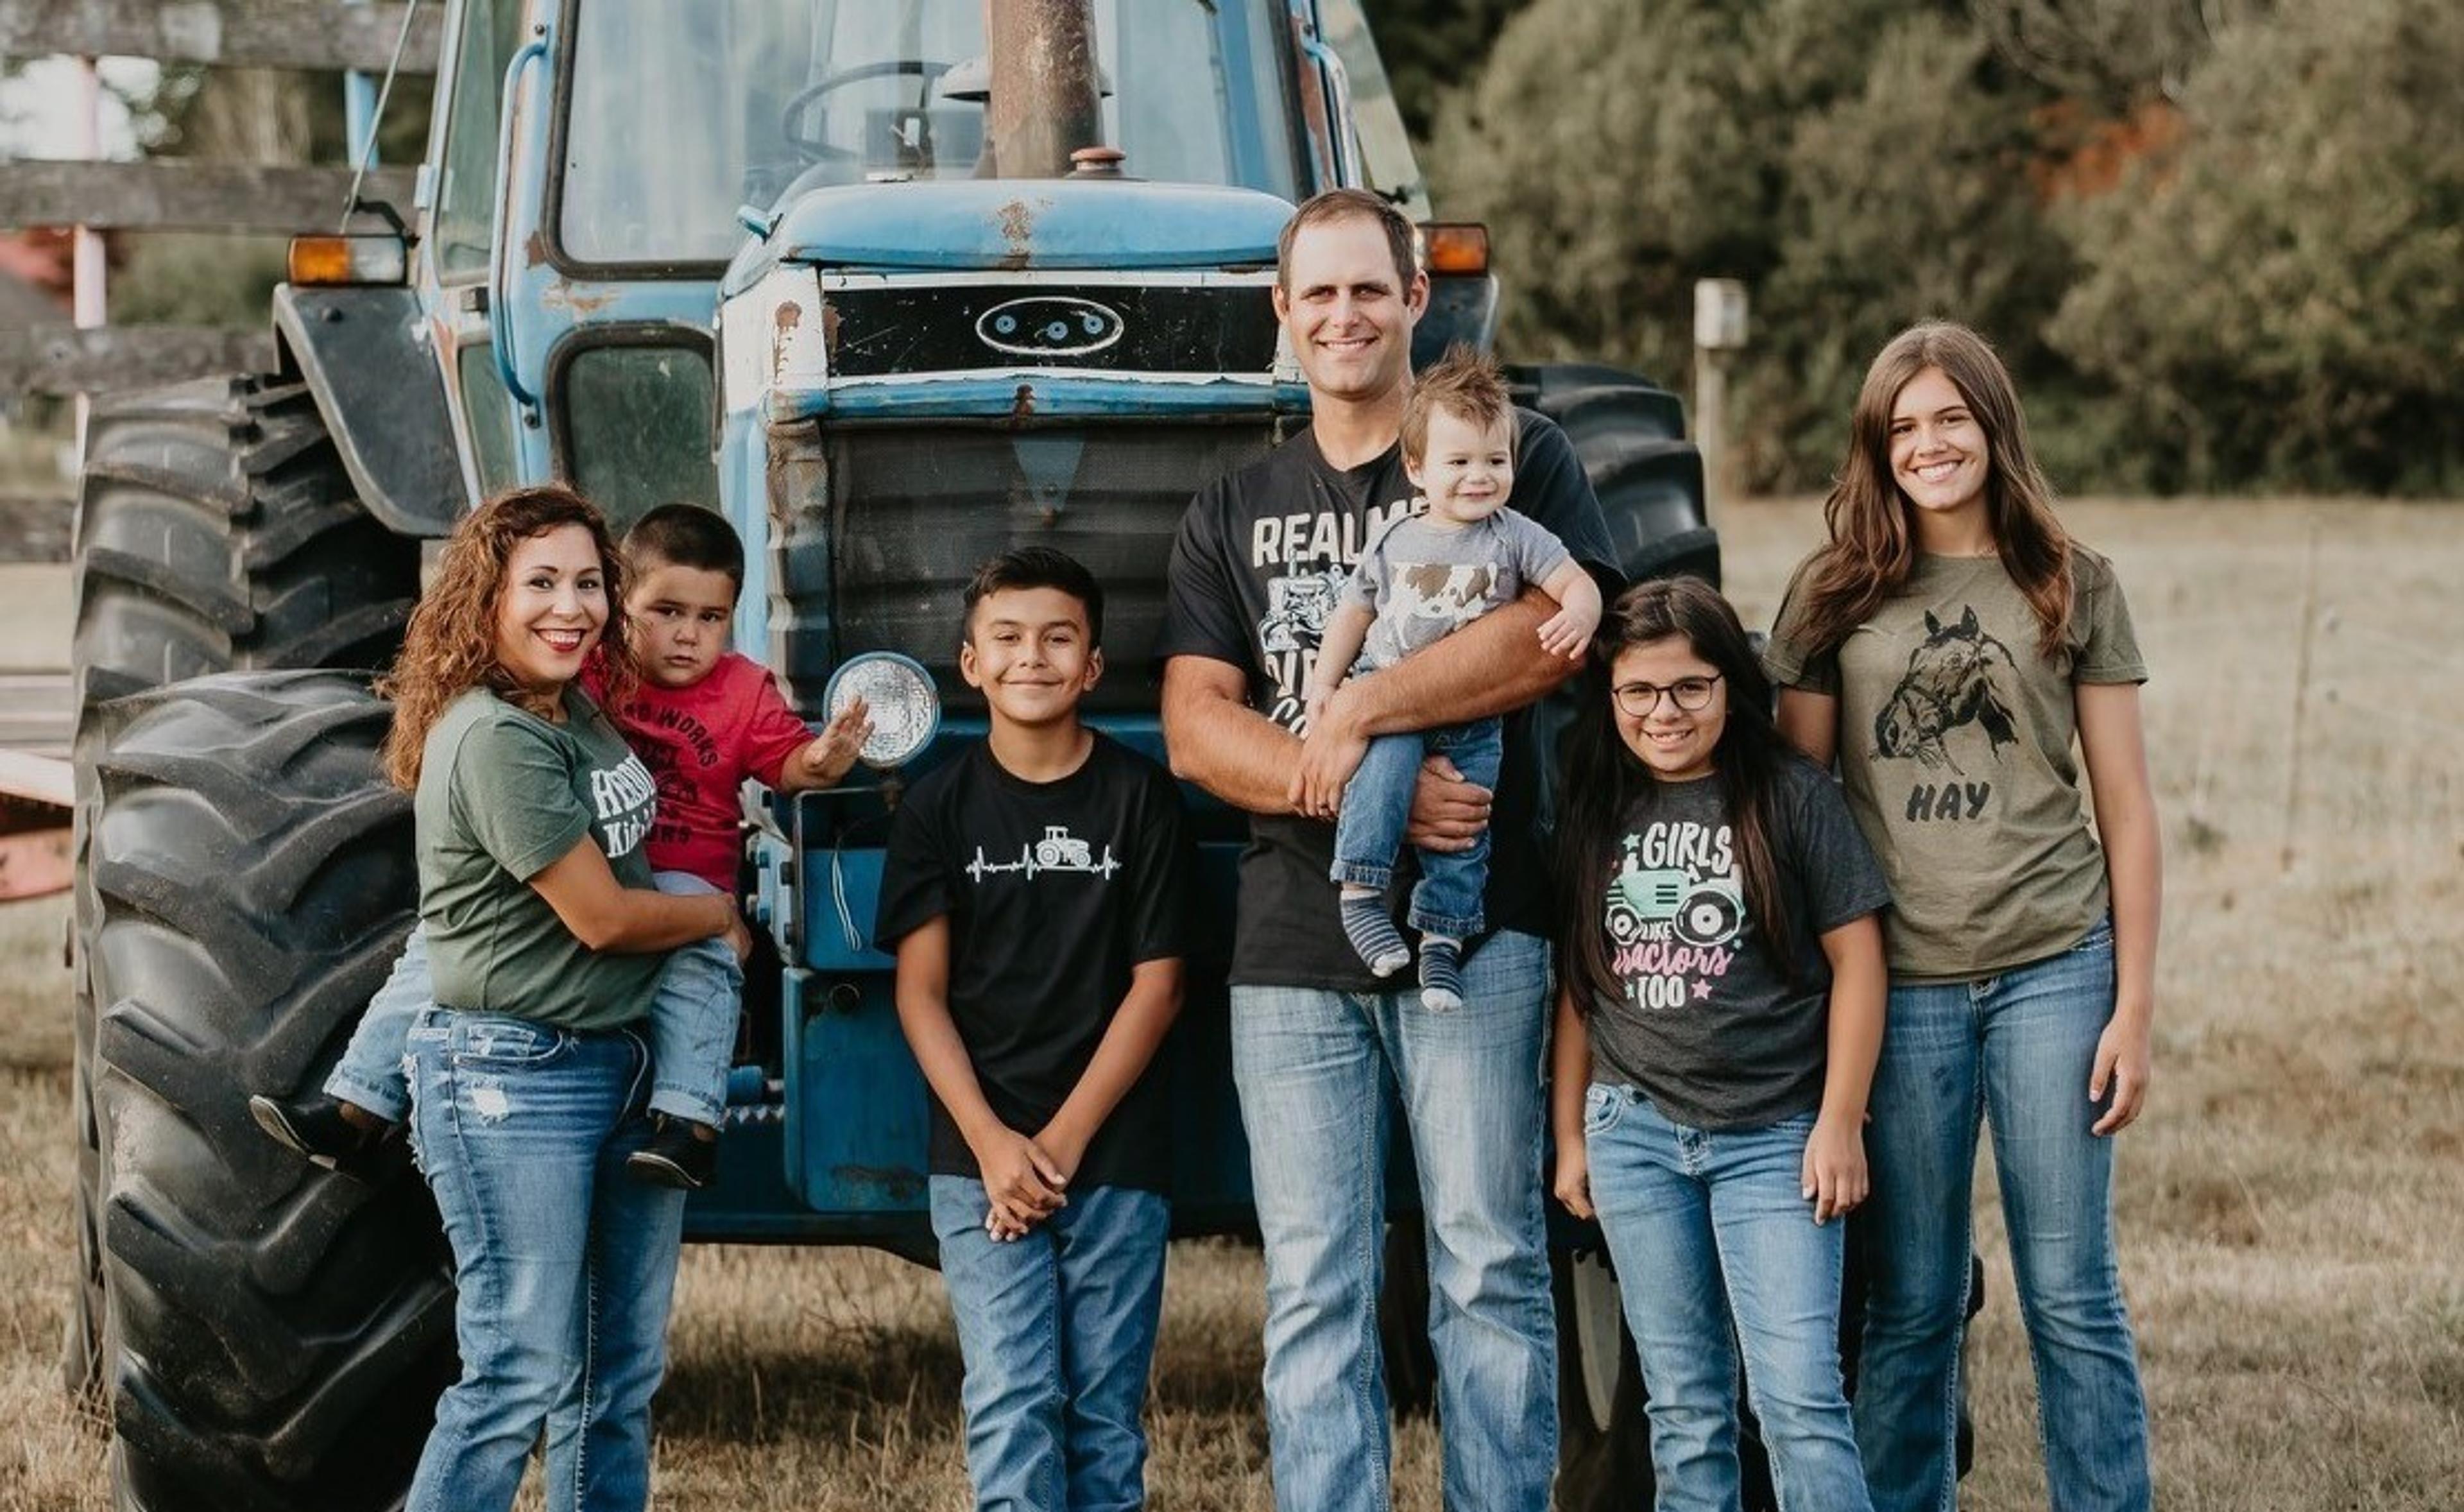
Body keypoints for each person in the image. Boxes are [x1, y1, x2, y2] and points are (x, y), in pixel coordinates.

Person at [1159, 186, 1614, 1512]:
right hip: (1297, 942)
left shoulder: (1510, 454)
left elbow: (1552, 632)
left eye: (1373, 287)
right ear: (1284, 314)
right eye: (1321, 292)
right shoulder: (1231, 505)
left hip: (1484, 925)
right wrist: (1362, 785)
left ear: (1419, 298)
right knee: (1314, 1282)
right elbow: (1196, 725)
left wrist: (1365, 705)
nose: (1346, 313)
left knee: (1486, 1260)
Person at [1763, 321, 2159, 1512]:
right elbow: (1803, 811)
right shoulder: (1834, 593)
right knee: (1915, 1301)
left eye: (1951, 418)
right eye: (1904, 426)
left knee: (2070, 1293)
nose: (1930, 444)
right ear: (1877, 447)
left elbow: (2128, 813)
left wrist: (2133, 1009)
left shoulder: (2071, 582)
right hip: (1906, 985)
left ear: (1993, 424)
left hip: (2055, 964)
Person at [252, 503, 868, 1190]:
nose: (687, 636)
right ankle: (355, 1106)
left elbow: (785, 763)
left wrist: (824, 760)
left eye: (710, 618)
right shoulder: (593, 676)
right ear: (623, 604)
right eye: (665, 611)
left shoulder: (744, 690)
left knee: (705, 962)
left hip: (680, 876)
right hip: (586, 870)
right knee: (434, 946)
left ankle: (689, 1123)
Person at [377, 485, 746, 1511]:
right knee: (515, 1377)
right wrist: (715, 915)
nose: (570, 606)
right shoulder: (496, 735)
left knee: (617, 1382)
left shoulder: (574, 702)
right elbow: (603, 918)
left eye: (588, 583)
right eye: (540, 583)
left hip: (616, 1059)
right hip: (511, 1078)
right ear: (484, 597)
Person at [1549, 576, 1888, 1512]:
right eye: (1640, 692)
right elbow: (1581, 986)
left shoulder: (1790, 797)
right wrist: (1574, 1134)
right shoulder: (1597, 801)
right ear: (1611, 695)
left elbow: (1859, 964)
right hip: (1636, 1133)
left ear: (1731, 688)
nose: (1665, 712)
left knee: (1798, 1399)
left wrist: (1840, 1123)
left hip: (1775, 1138)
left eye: (1690, 687)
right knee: (1684, 1406)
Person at [875, 547, 1192, 1512]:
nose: (1032, 658)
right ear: (970, 664)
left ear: (1093, 666)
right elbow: (920, 995)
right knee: (1014, 1398)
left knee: (1102, 1412)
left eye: (1059, 639)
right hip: (979, 1156)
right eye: (1006, 639)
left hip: (1113, 1152)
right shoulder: (938, 805)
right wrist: (993, 1148)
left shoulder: (1141, 799)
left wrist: (1053, 1146)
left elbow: (1161, 986)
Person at [1300, 345, 1601, 1009]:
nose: (1478, 477)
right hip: (1393, 700)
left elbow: (1573, 580)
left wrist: (1581, 610)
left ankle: (1443, 940)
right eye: (1459, 462)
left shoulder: (1514, 534)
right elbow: (1354, 611)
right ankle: (1360, 890)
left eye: (1495, 462)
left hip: (1471, 716)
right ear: (1417, 468)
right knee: (1381, 781)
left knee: (1466, 825)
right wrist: (1325, 686)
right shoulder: (1397, 538)